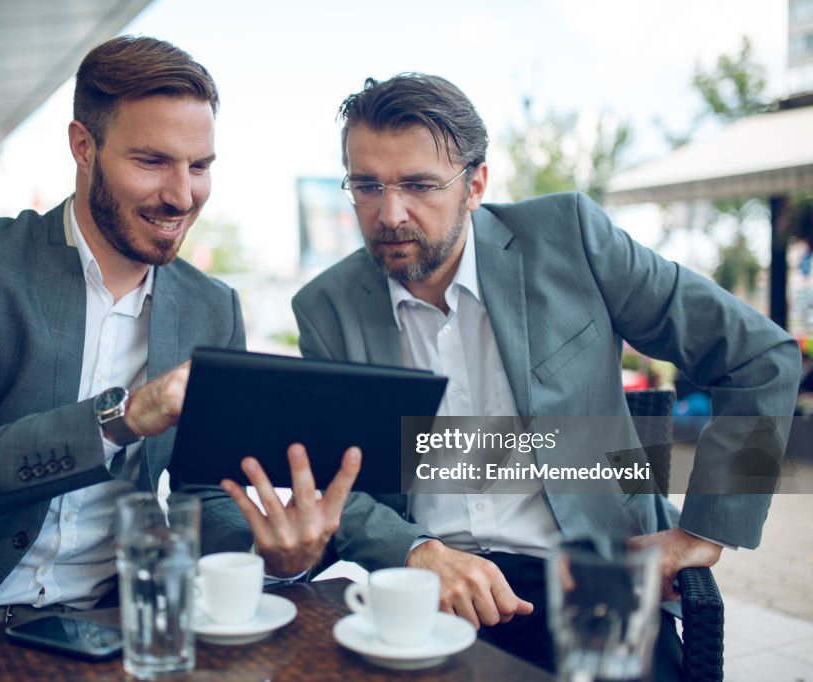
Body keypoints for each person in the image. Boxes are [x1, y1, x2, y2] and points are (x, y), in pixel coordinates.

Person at [0, 36, 358, 646]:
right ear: (83, 147)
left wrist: (273, 553)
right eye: (152, 161)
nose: (182, 195)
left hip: (108, 628)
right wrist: (120, 420)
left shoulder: (212, 306)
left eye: (200, 166)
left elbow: (205, 498)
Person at [292, 73, 799, 676]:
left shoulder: (570, 238)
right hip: (428, 594)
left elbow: (759, 357)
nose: (389, 212)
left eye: (420, 185)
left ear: (475, 184)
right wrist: (413, 549)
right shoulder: (326, 306)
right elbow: (333, 486)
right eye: (367, 185)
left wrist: (705, 529)